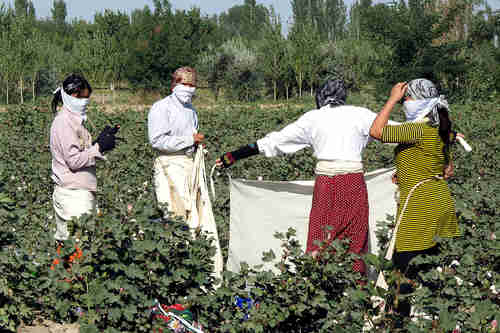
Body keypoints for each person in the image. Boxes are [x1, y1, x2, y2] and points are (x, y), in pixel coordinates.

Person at [216, 79, 399, 277]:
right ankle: (354, 289)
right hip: (353, 183)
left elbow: (274, 141)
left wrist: (233, 156)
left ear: (320, 97)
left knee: (321, 237)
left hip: (326, 184)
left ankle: (318, 285)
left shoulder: (313, 118)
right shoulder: (361, 114)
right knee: (354, 237)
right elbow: (397, 130)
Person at [370, 79, 460, 316]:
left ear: (420, 102)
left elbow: (376, 131)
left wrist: (391, 100)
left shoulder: (418, 130)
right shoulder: (439, 129)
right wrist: (405, 173)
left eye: (407, 99)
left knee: (403, 271)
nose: (404, 104)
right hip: (440, 201)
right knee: (432, 269)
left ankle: (395, 322)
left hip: (420, 206)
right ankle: (440, 319)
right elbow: (444, 168)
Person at [50, 73, 118, 268]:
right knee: (77, 248)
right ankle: (69, 286)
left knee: (72, 245)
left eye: (87, 98)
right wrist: (99, 149)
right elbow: (73, 161)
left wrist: (98, 142)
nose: (85, 102)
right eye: (81, 98)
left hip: (77, 192)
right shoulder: (63, 122)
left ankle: (63, 284)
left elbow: (78, 152)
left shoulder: (73, 121)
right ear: (71, 96)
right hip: (72, 194)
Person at [148, 67, 204, 218]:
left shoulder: (191, 110)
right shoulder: (161, 107)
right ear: (174, 85)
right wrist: (189, 139)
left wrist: (196, 145)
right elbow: (157, 140)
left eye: (192, 85)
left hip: (188, 164)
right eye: (184, 84)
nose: (189, 89)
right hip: (169, 164)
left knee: (193, 212)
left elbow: (192, 136)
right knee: (174, 211)